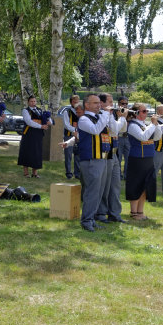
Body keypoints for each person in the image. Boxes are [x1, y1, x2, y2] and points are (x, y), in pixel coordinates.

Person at [77, 94, 113, 232]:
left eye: (99, 103)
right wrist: (105, 115)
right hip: (91, 160)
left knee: (99, 191)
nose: (100, 105)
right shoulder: (84, 119)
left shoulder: (100, 118)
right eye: (95, 103)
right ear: (87, 105)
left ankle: (91, 219)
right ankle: (86, 221)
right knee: (92, 192)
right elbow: (95, 130)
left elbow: (113, 131)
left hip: (102, 158)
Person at [124, 104, 161, 220]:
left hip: (148, 158)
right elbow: (143, 137)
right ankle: (133, 212)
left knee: (145, 186)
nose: (146, 113)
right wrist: (153, 124)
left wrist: (157, 125)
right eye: (144, 111)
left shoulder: (146, 125)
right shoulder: (132, 126)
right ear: (136, 113)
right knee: (136, 185)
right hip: (137, 159)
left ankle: (140, 212)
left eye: (147, 111)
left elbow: (157, 137)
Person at [97, 93, 125, 224]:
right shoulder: (100, 115)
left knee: (115, 185)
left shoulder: (111, 115)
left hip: (114, 153)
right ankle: (101, 213)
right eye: (109, 101)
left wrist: (122, 118)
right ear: (101, 103)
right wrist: (122, 118)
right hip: (104, 154)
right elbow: (114, 129)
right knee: (105, 186)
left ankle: (114, 213)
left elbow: (121, 129)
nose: (112, 104)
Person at [18, 96, 50, 177]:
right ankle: (26, 172)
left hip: (38, 134)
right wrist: (41, 126)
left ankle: (35, 173)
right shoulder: (26, 111)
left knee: (36, 152)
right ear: (28, 102)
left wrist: (49, 121)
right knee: (27, 152)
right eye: (31, 101)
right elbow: (29, 122)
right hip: (28, 133)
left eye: (34, 101)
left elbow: (46, 119)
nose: (33, 103)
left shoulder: (39, 110)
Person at [60, 94, 80, 180]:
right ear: (71, 102)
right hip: (69, 135)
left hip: (78, 136)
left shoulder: (80, 111)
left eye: (77, 101)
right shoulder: (66, 111)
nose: (76, 103)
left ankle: (77, 173)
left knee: (78, 155)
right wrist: (75, 130)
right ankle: (68, 172)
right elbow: (66, 125)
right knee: (68, 155)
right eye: (74, 101)